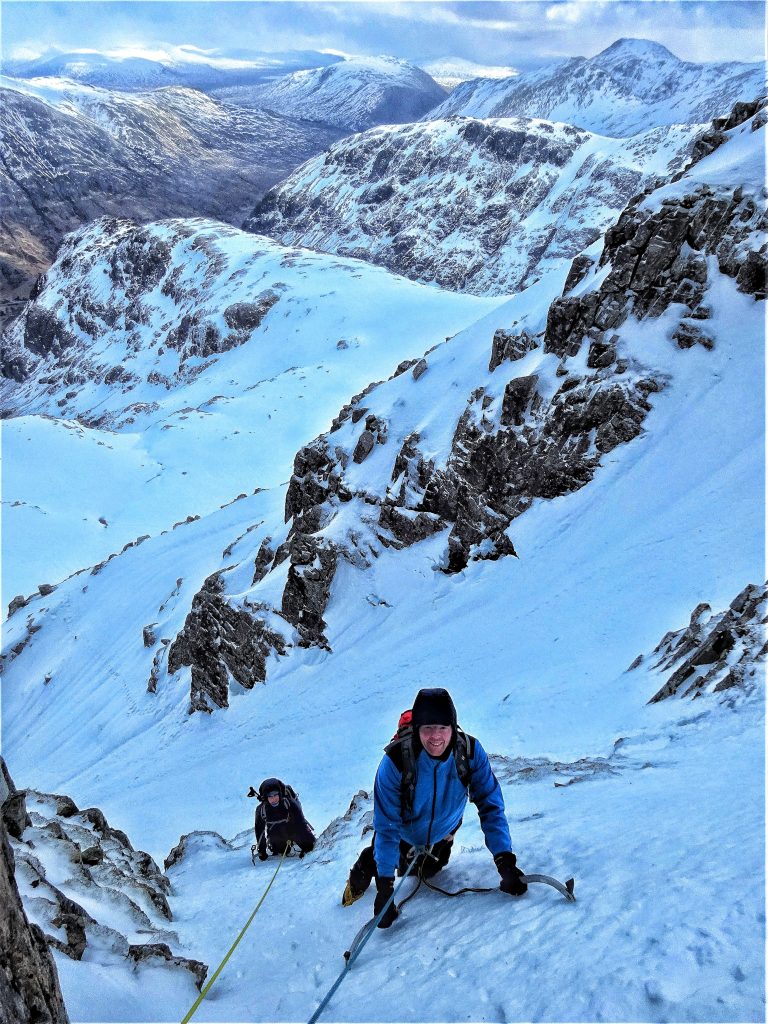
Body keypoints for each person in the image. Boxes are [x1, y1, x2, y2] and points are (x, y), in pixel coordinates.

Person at [342, 687, 527, 926]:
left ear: (453, 726)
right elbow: (387, 827)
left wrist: (504, 860)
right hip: (402, 834)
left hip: (442, 832)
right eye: (427, 728)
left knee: (428, 872)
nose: (435, 736)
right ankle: (366, 865)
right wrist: (386, 888)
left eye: (442, 727)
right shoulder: (395, 762)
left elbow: (490, 806)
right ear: (417, 728)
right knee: (383, 861)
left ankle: (411, 859)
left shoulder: (469, 753)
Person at [251, 778, 315, 860]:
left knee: (309, 846)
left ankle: (302, 844)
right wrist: (262, 851)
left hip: (294, 830)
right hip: (277, 835)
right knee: (280, 850)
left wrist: (308, 844)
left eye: (275, 795)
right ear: (265, 798)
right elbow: (260, 831)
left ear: (280, 794)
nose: (273, 799)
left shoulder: (289, 803)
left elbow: (301, 823)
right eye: (270, 796)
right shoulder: (261, 810)